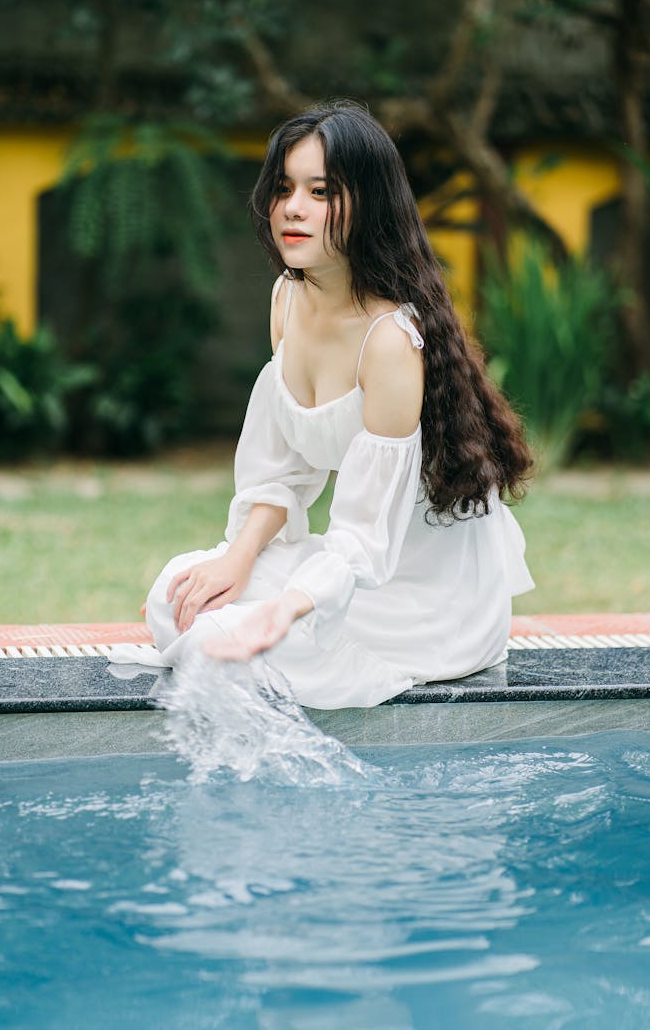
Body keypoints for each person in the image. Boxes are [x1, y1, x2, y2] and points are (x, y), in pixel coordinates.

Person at [143, 101, 534, 710]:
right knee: (178, 594)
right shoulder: (286, 300)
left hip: (425, 600)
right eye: (284, 188)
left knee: (224, 639)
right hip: (350, 573)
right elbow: (284, 472)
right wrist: (238, 563)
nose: (294, 208)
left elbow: (360, 540)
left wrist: (284, 611)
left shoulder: (389, 341)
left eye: (321, 191)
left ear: (368, 204)